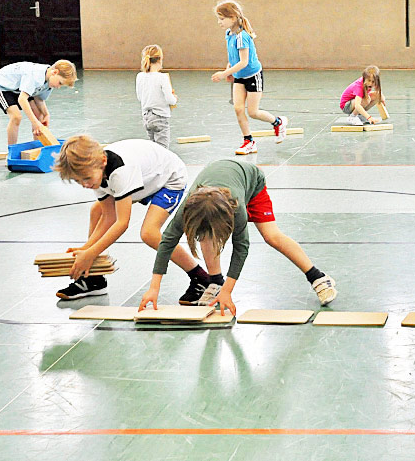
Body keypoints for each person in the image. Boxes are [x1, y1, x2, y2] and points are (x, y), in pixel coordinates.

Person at [141, 159, 337, 315]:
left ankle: (317, 277)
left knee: (272, 236)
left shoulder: (236, 208)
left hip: (251, 181)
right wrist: (154, 287)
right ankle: (215, 282)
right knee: (205, 236)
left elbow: (241, 248)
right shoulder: (189, 207)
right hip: (218, 182)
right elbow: (167, 241)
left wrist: (228, 291)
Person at [54, 136, 212, 303]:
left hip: (168, 179)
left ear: (102, 161)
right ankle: (94, 279)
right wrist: (86, 250)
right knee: (97, 211)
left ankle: (201, 278)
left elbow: (121, 223)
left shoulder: (120, 171)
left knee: (149, 233)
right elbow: (108, 217)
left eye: (86, 179)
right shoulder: (96, 171)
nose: (84, 185)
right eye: (78, 181)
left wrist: (90, 253)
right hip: (145, 177)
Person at [210, 0, 288, 155]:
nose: (219, 22)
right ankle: (249, 141)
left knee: (253, 112)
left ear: (232, 18)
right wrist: (229, 70)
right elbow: (233, 56)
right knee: (238, 109)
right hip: (239, 76)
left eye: (222, 18)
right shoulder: (228, 34)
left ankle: (278, 122)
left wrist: (223, 73)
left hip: (252, 75)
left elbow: (244, 61)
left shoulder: (242, 37)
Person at [0, 59, 77, 146]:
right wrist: (34, 122)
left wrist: (46, 114)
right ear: (55, 72)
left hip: (19, 88)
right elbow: (22, 99)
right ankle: (11, 149)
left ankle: (38, 147)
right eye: (60, 83)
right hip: (2, 87)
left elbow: (39, 99)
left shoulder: (49, 82)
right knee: (16, 117)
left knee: (40, 115)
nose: (58, 87)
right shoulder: (35, 76)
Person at [136, 44, 177, 149]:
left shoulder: (140, 76)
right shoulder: (162, 78)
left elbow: (140, 97)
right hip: (160, 118)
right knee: (162, 151)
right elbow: (170, 100)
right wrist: (174, 98)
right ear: (160, 59)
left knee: (153, 150)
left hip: (147, 117)